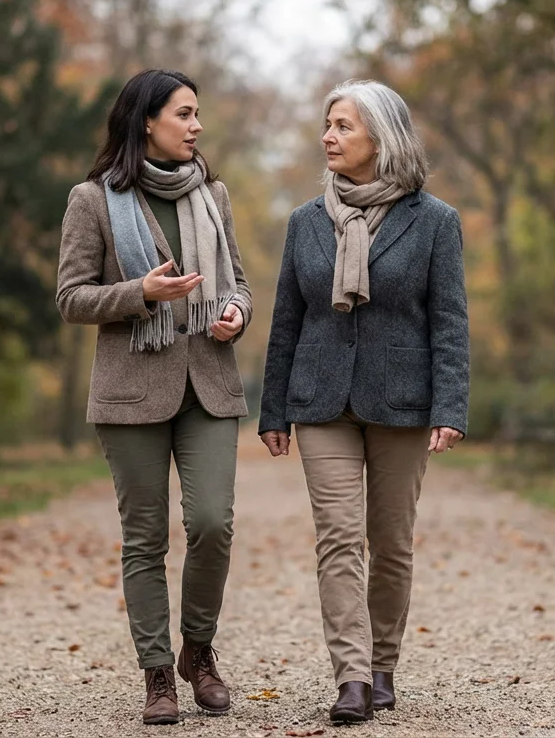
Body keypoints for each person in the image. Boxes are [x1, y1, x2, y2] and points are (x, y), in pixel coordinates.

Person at [258, 79, 470, 724]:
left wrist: (450, 406)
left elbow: (450, 322)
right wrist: (273, 409)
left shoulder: (435, 222)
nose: (329, 136)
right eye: (328, 124)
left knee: (391, 541)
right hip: (321, 400)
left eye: (344, 126)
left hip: (404, 400)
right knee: (339, 538)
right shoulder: (304, 222)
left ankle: (383, 667)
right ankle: (350, 678)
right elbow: (286, 321)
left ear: (383, 137)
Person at [56, 68, 252, 726]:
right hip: (131, 389)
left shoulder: (213, 193)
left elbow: (241, 285)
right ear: (146, 121)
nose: (197, 125)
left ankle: (198, 651)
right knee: (144, 539)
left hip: (210, 381)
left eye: (198, 114)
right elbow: (71, 297)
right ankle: (157, 674)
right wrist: (141, 293)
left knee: (212, 524)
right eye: (185, 113)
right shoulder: (91, 199)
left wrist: (236, 316)